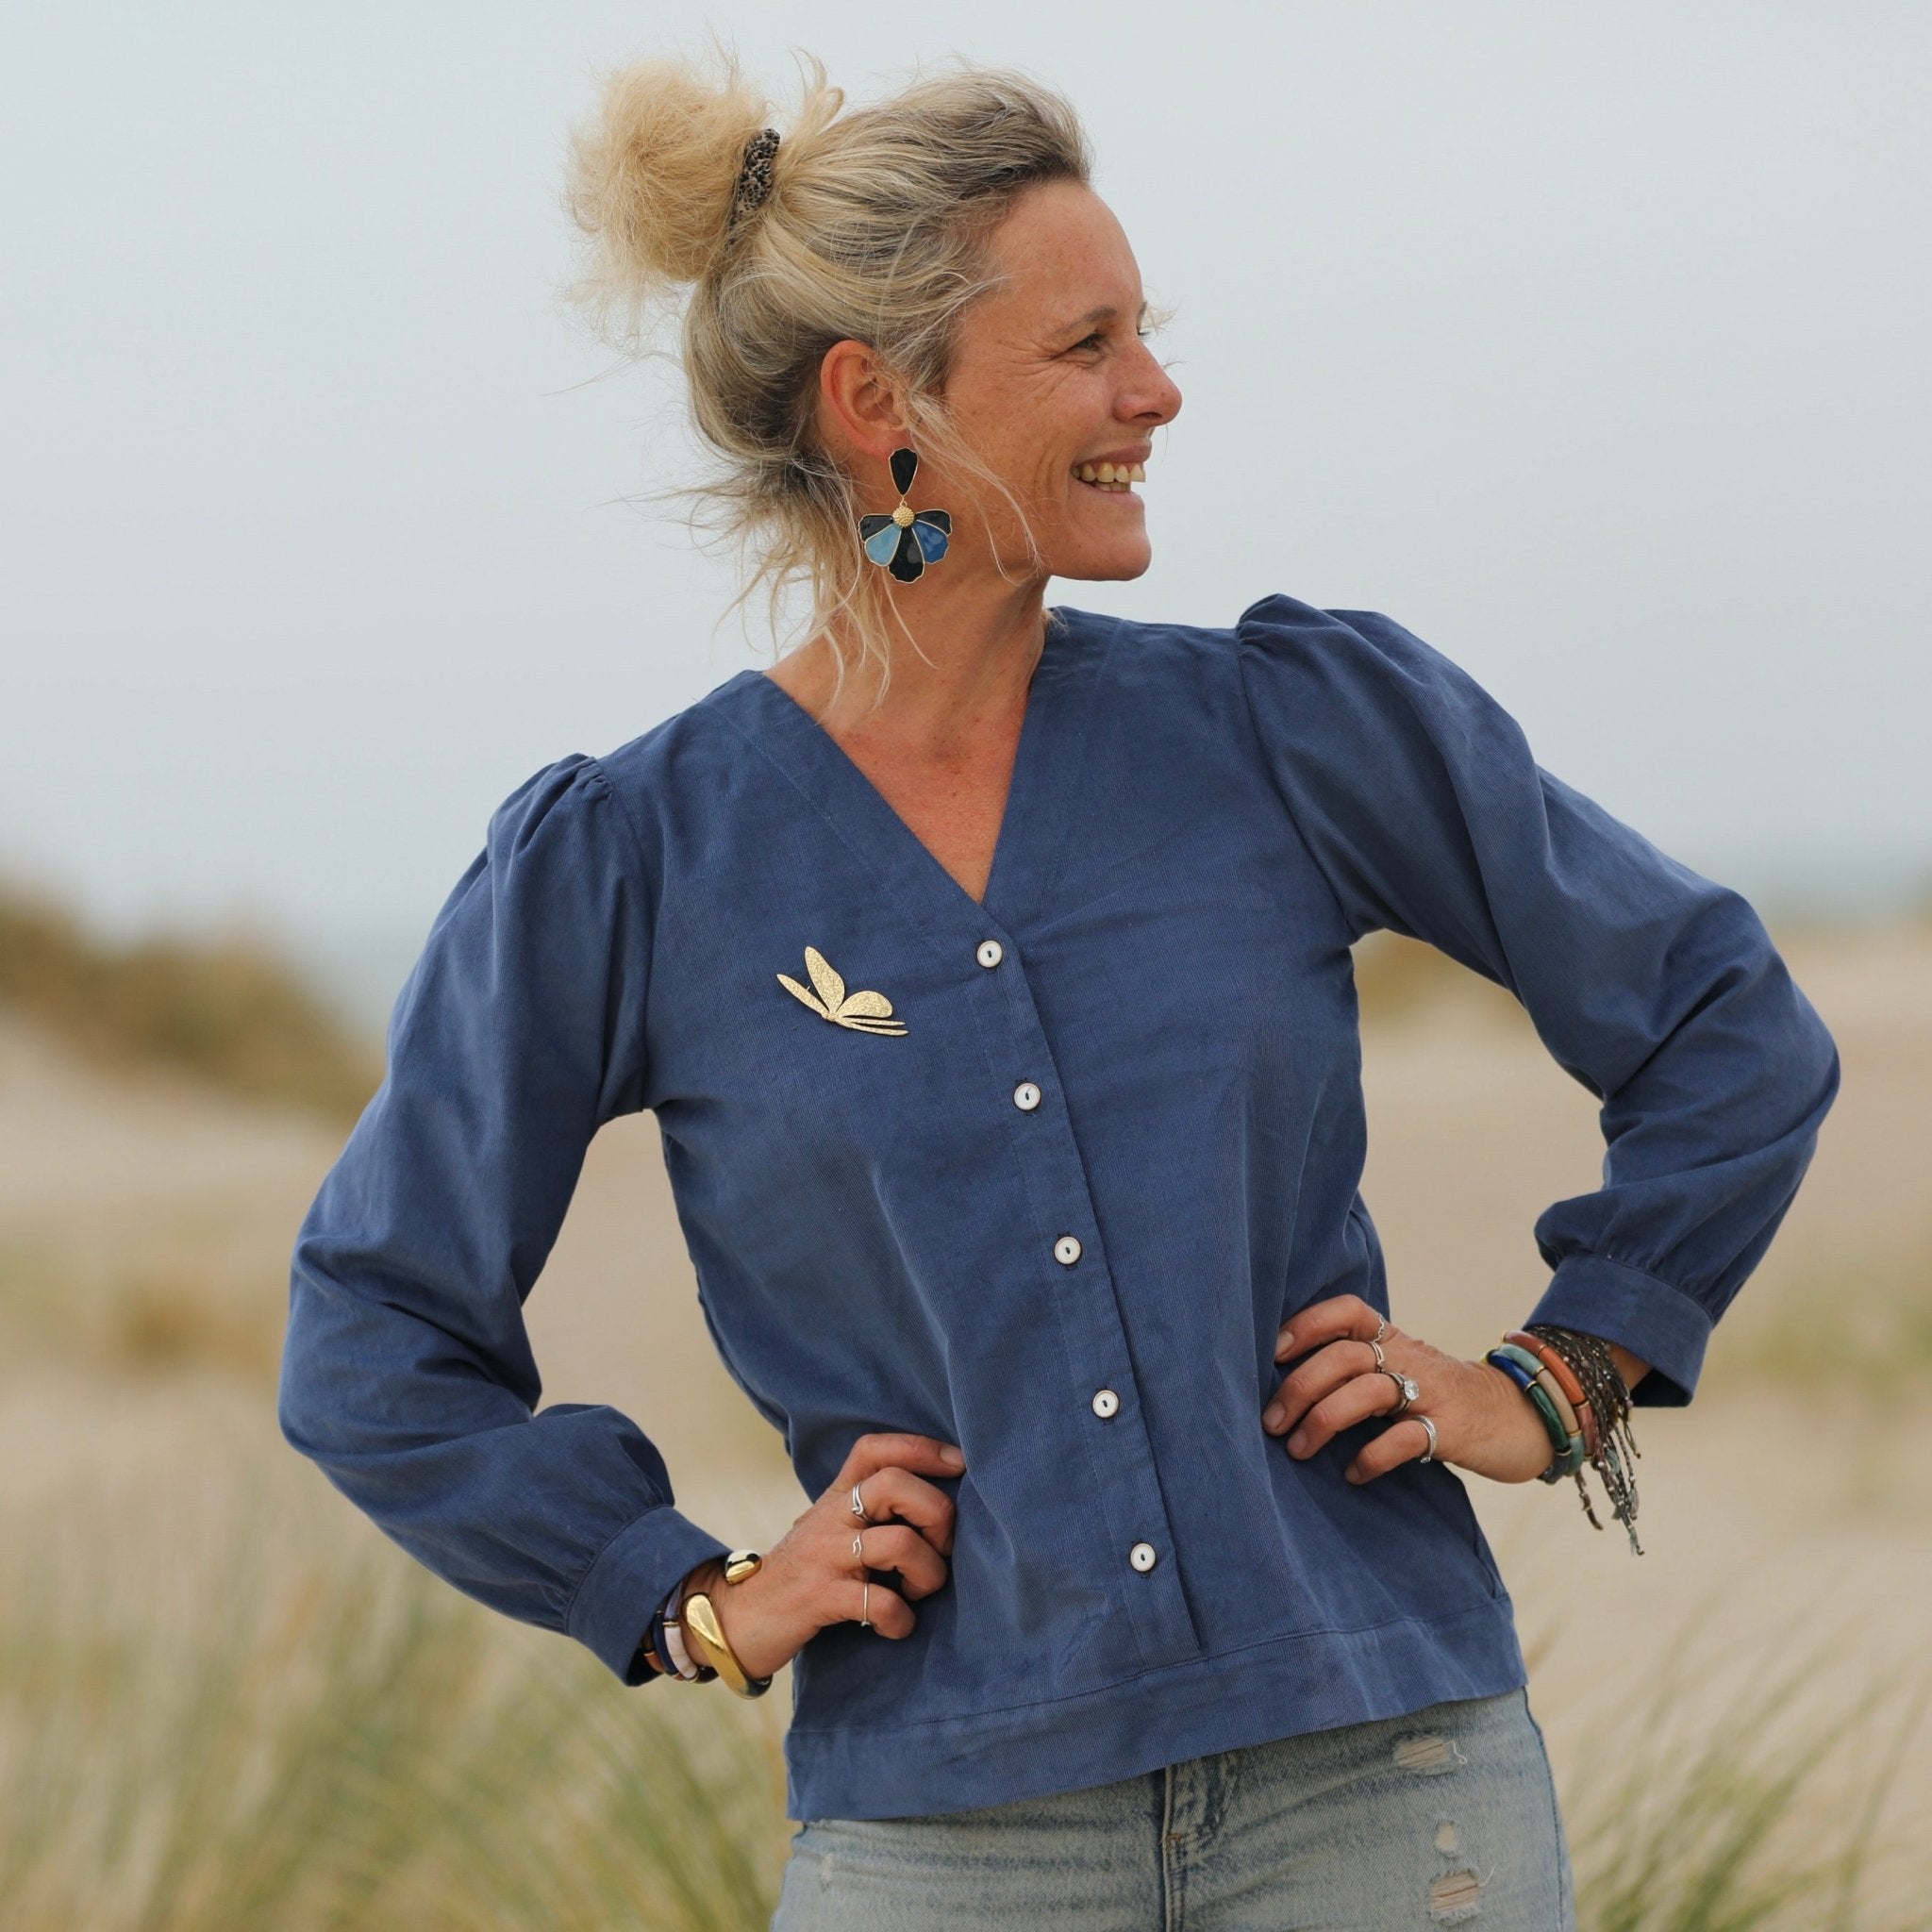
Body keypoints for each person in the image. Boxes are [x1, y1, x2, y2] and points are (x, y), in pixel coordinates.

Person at [277, 47, 1840, 1931]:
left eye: (1144, 335)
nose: (1155, 390)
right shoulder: (635, 861)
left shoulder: (1290, 729)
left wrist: (1567, 1373)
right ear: (880, 401)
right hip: (939, 1837)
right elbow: (372, 1328)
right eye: (1087, 343)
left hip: (1384, 1781)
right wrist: (687, 1593)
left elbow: (1725, 1025)